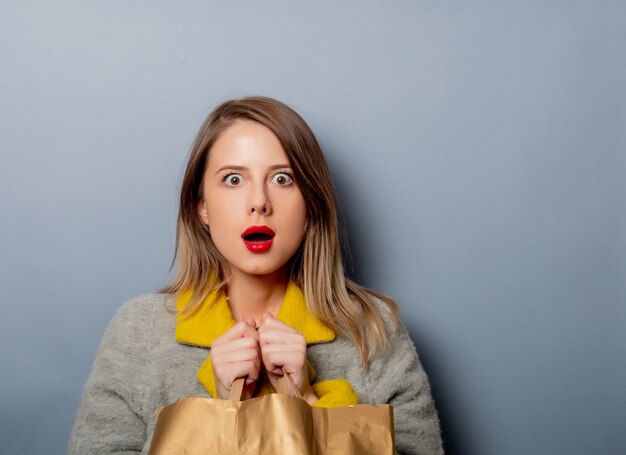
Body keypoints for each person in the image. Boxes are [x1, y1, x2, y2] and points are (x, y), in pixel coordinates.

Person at [69, 96, 443, 454]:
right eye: (234, 179)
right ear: (201, 207)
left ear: (311, 204)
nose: (259, 201)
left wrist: (309, 405)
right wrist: (217, 413)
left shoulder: (373, 329)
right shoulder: (139, 331)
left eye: (283, 179)